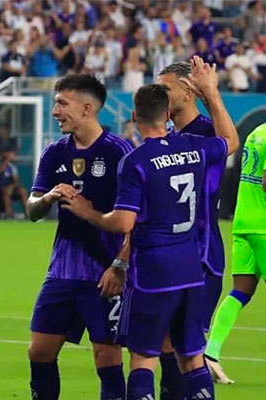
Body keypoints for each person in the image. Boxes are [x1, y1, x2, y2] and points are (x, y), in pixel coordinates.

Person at [60, 78, 236, 400]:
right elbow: (229, 140)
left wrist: (89, 213)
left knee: (143, 358)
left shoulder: (136, 161)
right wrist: (211, 93)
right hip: (191, 269)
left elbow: (123, 222)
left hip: (152, 272)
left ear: (134, 116)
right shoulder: (193, 147)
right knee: (191, 358)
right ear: (167, 114)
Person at [25, 74, 132, 400]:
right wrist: (48, 198)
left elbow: (138, 218)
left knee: (107, 356)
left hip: (104, 273)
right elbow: (32, 209)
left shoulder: (120, 153)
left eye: (62, 103)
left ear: (87, 108)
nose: (55, 111)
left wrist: (120, 265)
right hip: (62, 271)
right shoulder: (54, 153)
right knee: (39, 351)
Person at [155, 59, 240, 397]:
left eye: (165, 90)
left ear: (188, 92)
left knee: (185, 349)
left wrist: (211, 94)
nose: (158, 96)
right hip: (168, 255)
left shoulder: (207, 132)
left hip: (200, 255)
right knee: (163, 344)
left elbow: (230, 142)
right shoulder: (167, 137)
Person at [204, 123, 266, 385]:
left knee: (241, 292)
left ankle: (210, 354)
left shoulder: (257, 132)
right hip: (263, 226)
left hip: (243, 221)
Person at [0, 150, 28, 219]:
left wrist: (12, 187)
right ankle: (9, 215)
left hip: (11, 189)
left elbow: (16, 181)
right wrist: (5, 160)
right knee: (6, 191)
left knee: (23, 191)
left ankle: (28, 214)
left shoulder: (11, 167)